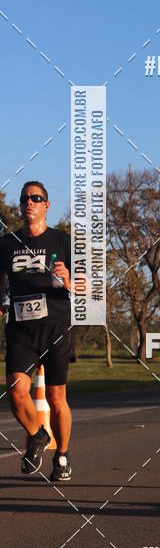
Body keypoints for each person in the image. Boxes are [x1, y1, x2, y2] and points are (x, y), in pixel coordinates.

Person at [0, 182, 73, 481]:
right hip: (20, 330)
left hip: (56, 327)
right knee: (16, 393)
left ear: (47, 205)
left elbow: (89, 287)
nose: (29, 202)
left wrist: (68, 279)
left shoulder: (62, 241)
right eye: (24, 199)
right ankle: (37, 434)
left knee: (56, 399)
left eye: (36, 198)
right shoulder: (7, 243)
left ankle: (63, 456)